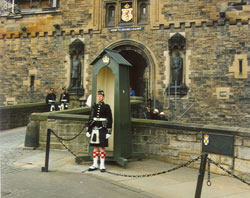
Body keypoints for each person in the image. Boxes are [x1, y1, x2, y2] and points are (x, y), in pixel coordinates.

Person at [86, 90, 113, 172]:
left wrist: (109, 131)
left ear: (103, 97)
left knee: (102, 147)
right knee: (95, 148)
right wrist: (89, 130)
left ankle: (102, 164)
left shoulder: (106, 107)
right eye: (98, 96)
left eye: (101, 96)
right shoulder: (94, 106)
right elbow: (91, 119)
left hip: (102, 129)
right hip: (94, 129)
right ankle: (95, 164)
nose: (99, 97)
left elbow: (110, 119)